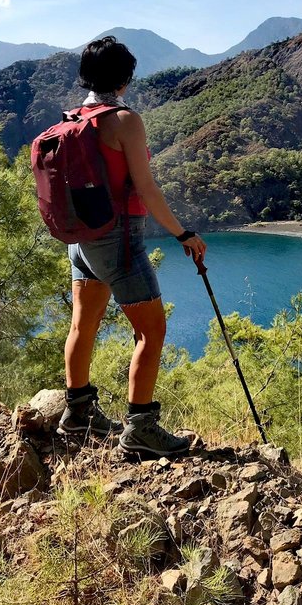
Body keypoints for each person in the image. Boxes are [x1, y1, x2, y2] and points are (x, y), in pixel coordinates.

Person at [58, 36, 207, 458]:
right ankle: (141, 428)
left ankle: (78, 411)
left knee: (82, 325)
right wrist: (182, 234)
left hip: (82, 241)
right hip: (119, 240)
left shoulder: (74, 118)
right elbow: (147, 188)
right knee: (152, 331)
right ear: (124, 78)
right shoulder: (124, 120)